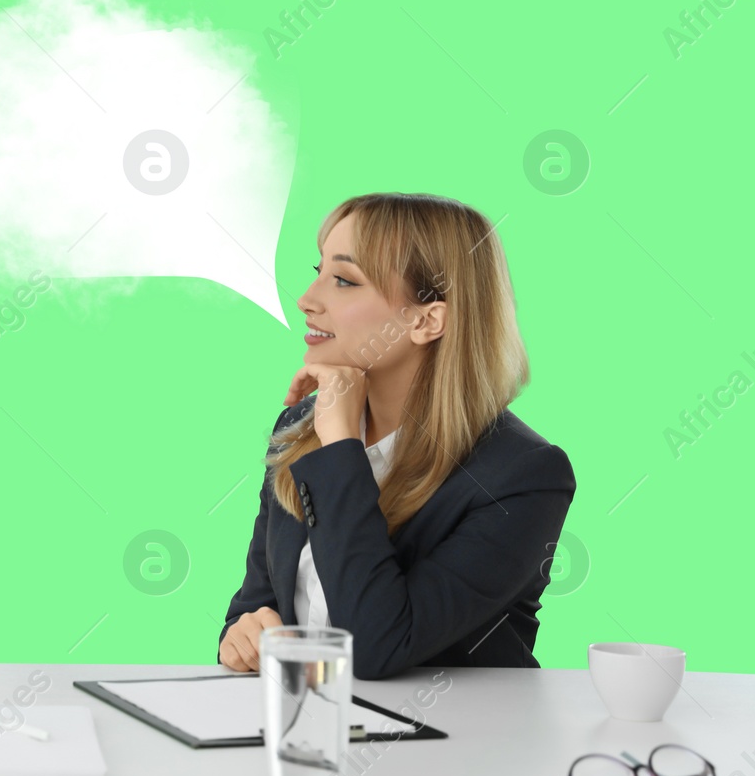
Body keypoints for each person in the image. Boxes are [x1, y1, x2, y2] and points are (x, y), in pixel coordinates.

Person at [217, 192, 575, 680]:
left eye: (344, 280)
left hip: (459, 744)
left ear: (426, 320)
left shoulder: (523, 475)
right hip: (314, 731)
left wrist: (342, 444)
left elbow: (376, 647)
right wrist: (243, 634)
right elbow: (256, 605)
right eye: (318, 271)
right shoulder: (301, 428)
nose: (307, 300)